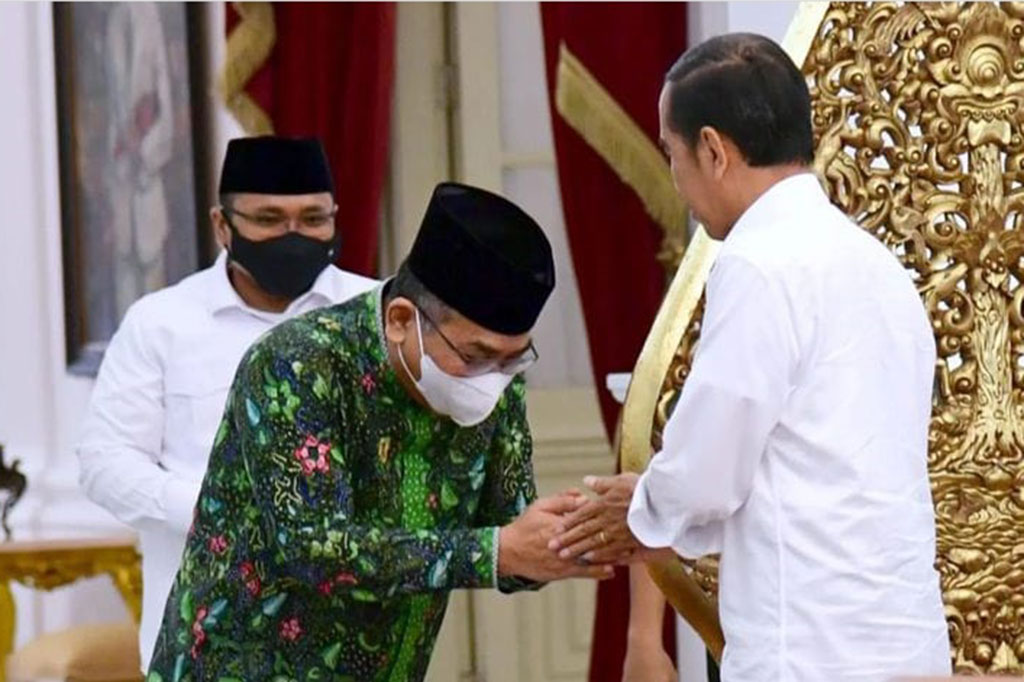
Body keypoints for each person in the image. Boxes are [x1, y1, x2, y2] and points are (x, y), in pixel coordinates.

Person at [550, 33, 951, 682]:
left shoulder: (758, 264)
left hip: (812, 652)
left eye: (670, 154)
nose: (675, 180)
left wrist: (642, 505)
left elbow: (708, 471)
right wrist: (656, 506)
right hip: (906, 642)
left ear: (712, 150)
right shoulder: (875, 265)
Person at [146, 182, 613, 681]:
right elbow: (315, 549)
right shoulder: (299, 364)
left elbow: (508, 533)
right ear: (399, 321)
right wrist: (497, 551)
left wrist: (575, 534)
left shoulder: (498, 382)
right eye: (475, 356)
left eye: (512, 357)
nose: (493, 377)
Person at [78, 136, 378, 671]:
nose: (294, 236)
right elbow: (105, 464)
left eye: (313, 219)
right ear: (223, 226)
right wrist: (215, 507)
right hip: (205, 634)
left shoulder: (378, 316)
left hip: (348, 636)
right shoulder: (161, 323)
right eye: (269, 219)